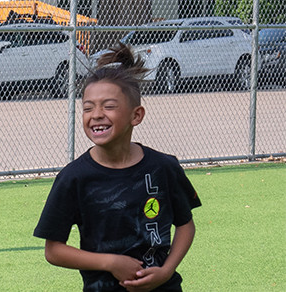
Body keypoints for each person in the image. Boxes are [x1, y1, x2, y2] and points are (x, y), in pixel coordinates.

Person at [33, 43, 201, 292]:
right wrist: (111, 262)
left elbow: (186, 224)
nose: (97, 114)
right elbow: (53, 250)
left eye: (108, 106)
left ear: (136, 115)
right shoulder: (74, 178)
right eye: (88, 107)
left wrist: (166, 272)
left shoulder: (163, 167)